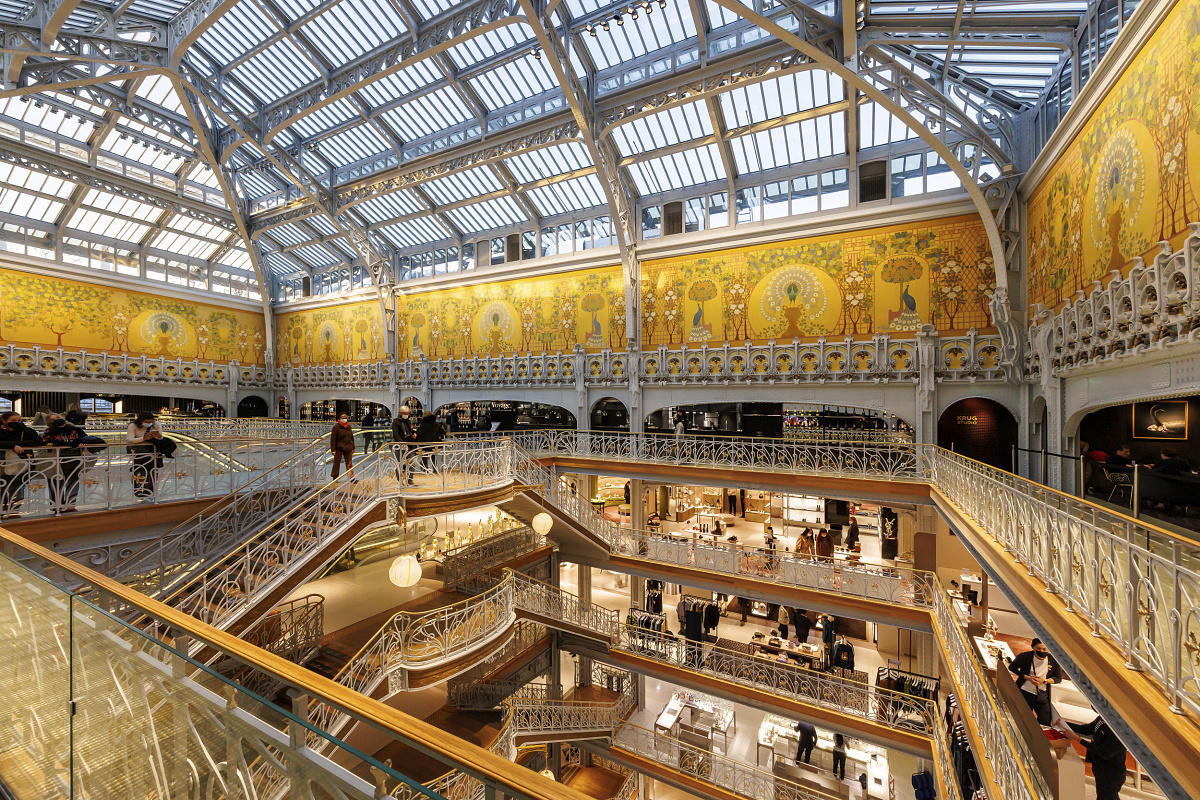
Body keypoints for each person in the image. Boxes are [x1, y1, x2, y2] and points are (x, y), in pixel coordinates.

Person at [1064, 715, 1127, 800]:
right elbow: (1087, 729)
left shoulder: (1120, 730)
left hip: (1111, 775)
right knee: (1105, 795)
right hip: (1100, 769)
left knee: (1106, 796)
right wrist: (1064, 724)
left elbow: (1105, 753)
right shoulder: (1103, 718)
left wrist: (1078, 739)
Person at [1007, 638, 1062, 726]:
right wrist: (1027, 678)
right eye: (1038, 649)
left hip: (1042, 694)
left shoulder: (1053, 660)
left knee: (1045, 721)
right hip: (1025, 692)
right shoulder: (1025, 656)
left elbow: (1058, 678)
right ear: (1033, 647)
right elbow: (1012, 667)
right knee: (1022, 719)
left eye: (1044, 649)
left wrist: (1044, 681)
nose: (1042, 651)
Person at [0, 411, 42, 518]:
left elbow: (38, 441)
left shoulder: (27, 431)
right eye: (13, 421)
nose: (16, 422)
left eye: (18, 420)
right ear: (4, 421)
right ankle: (2, 509)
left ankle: (14, 510)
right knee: (4, 485)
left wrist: (19, 444)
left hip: (24, 463)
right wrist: (12, 445)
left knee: (18, 486)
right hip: (3, 463)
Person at [41, 413, 85, 513]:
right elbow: (46, 442)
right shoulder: (49, 431)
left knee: (73, 480)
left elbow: (84, 438)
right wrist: (70, 443)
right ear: (49, 422)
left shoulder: (74, 429)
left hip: (73, 458)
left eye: (58, 417)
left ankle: (70, 504)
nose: (57, 420)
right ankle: (56, 504)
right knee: (55, 480)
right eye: (53, 420)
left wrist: (79, 443)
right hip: (54, 459)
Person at [127, 412, 164, 499]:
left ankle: (151, 491)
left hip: (153, 452)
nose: (148, 424)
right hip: (139, 453)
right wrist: (143, 438)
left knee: (153, 471)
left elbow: (161, 438)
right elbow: (130, 439)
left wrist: (158, 435)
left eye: (150, 422)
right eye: (146, 422)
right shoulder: (133, 426)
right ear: (141, 420)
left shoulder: (156, 425)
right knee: (139, 471)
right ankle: (139, 491)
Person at [392, 406, 417, 485]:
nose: (406, 415)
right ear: (400, 413)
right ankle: (400, 480)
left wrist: (413, 434)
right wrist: (401, 443)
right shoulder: (396, 422)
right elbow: (396, 434)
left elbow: (410, 430)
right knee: (400, 463)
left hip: (410, 445)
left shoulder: (408, 421)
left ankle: (409, 479)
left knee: (412, 462)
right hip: (400, 446)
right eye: (405, 413)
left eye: (407, 413)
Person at [329, 413, 355, 480]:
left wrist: (353, 447)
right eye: (343, 418)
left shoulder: (348, 427)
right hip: (339, 448)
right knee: (336, 463)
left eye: (345, 418)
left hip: (348, 447)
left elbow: (351, 437)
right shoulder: (336, 427)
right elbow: (333, 439)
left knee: (349, 463)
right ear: (339, 418)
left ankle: (351, 477)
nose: (344, 419)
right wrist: (333, 450)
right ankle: (335, 476)